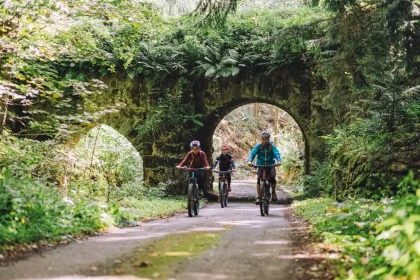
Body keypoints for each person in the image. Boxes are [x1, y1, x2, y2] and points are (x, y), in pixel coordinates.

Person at [247, 132, 282, 204]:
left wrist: (278, 161)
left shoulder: (271, 146)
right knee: (259, 179)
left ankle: (273, 192)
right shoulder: (258, 146)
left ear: (268, 139)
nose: (264, 141)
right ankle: (258, 197)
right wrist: (249, 161)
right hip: (260, 164)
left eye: (266, 139)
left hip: (270, 165)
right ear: (261, 139)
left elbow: (276, 153)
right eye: (262, 139)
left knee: (272, 178)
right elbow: (252, 153)